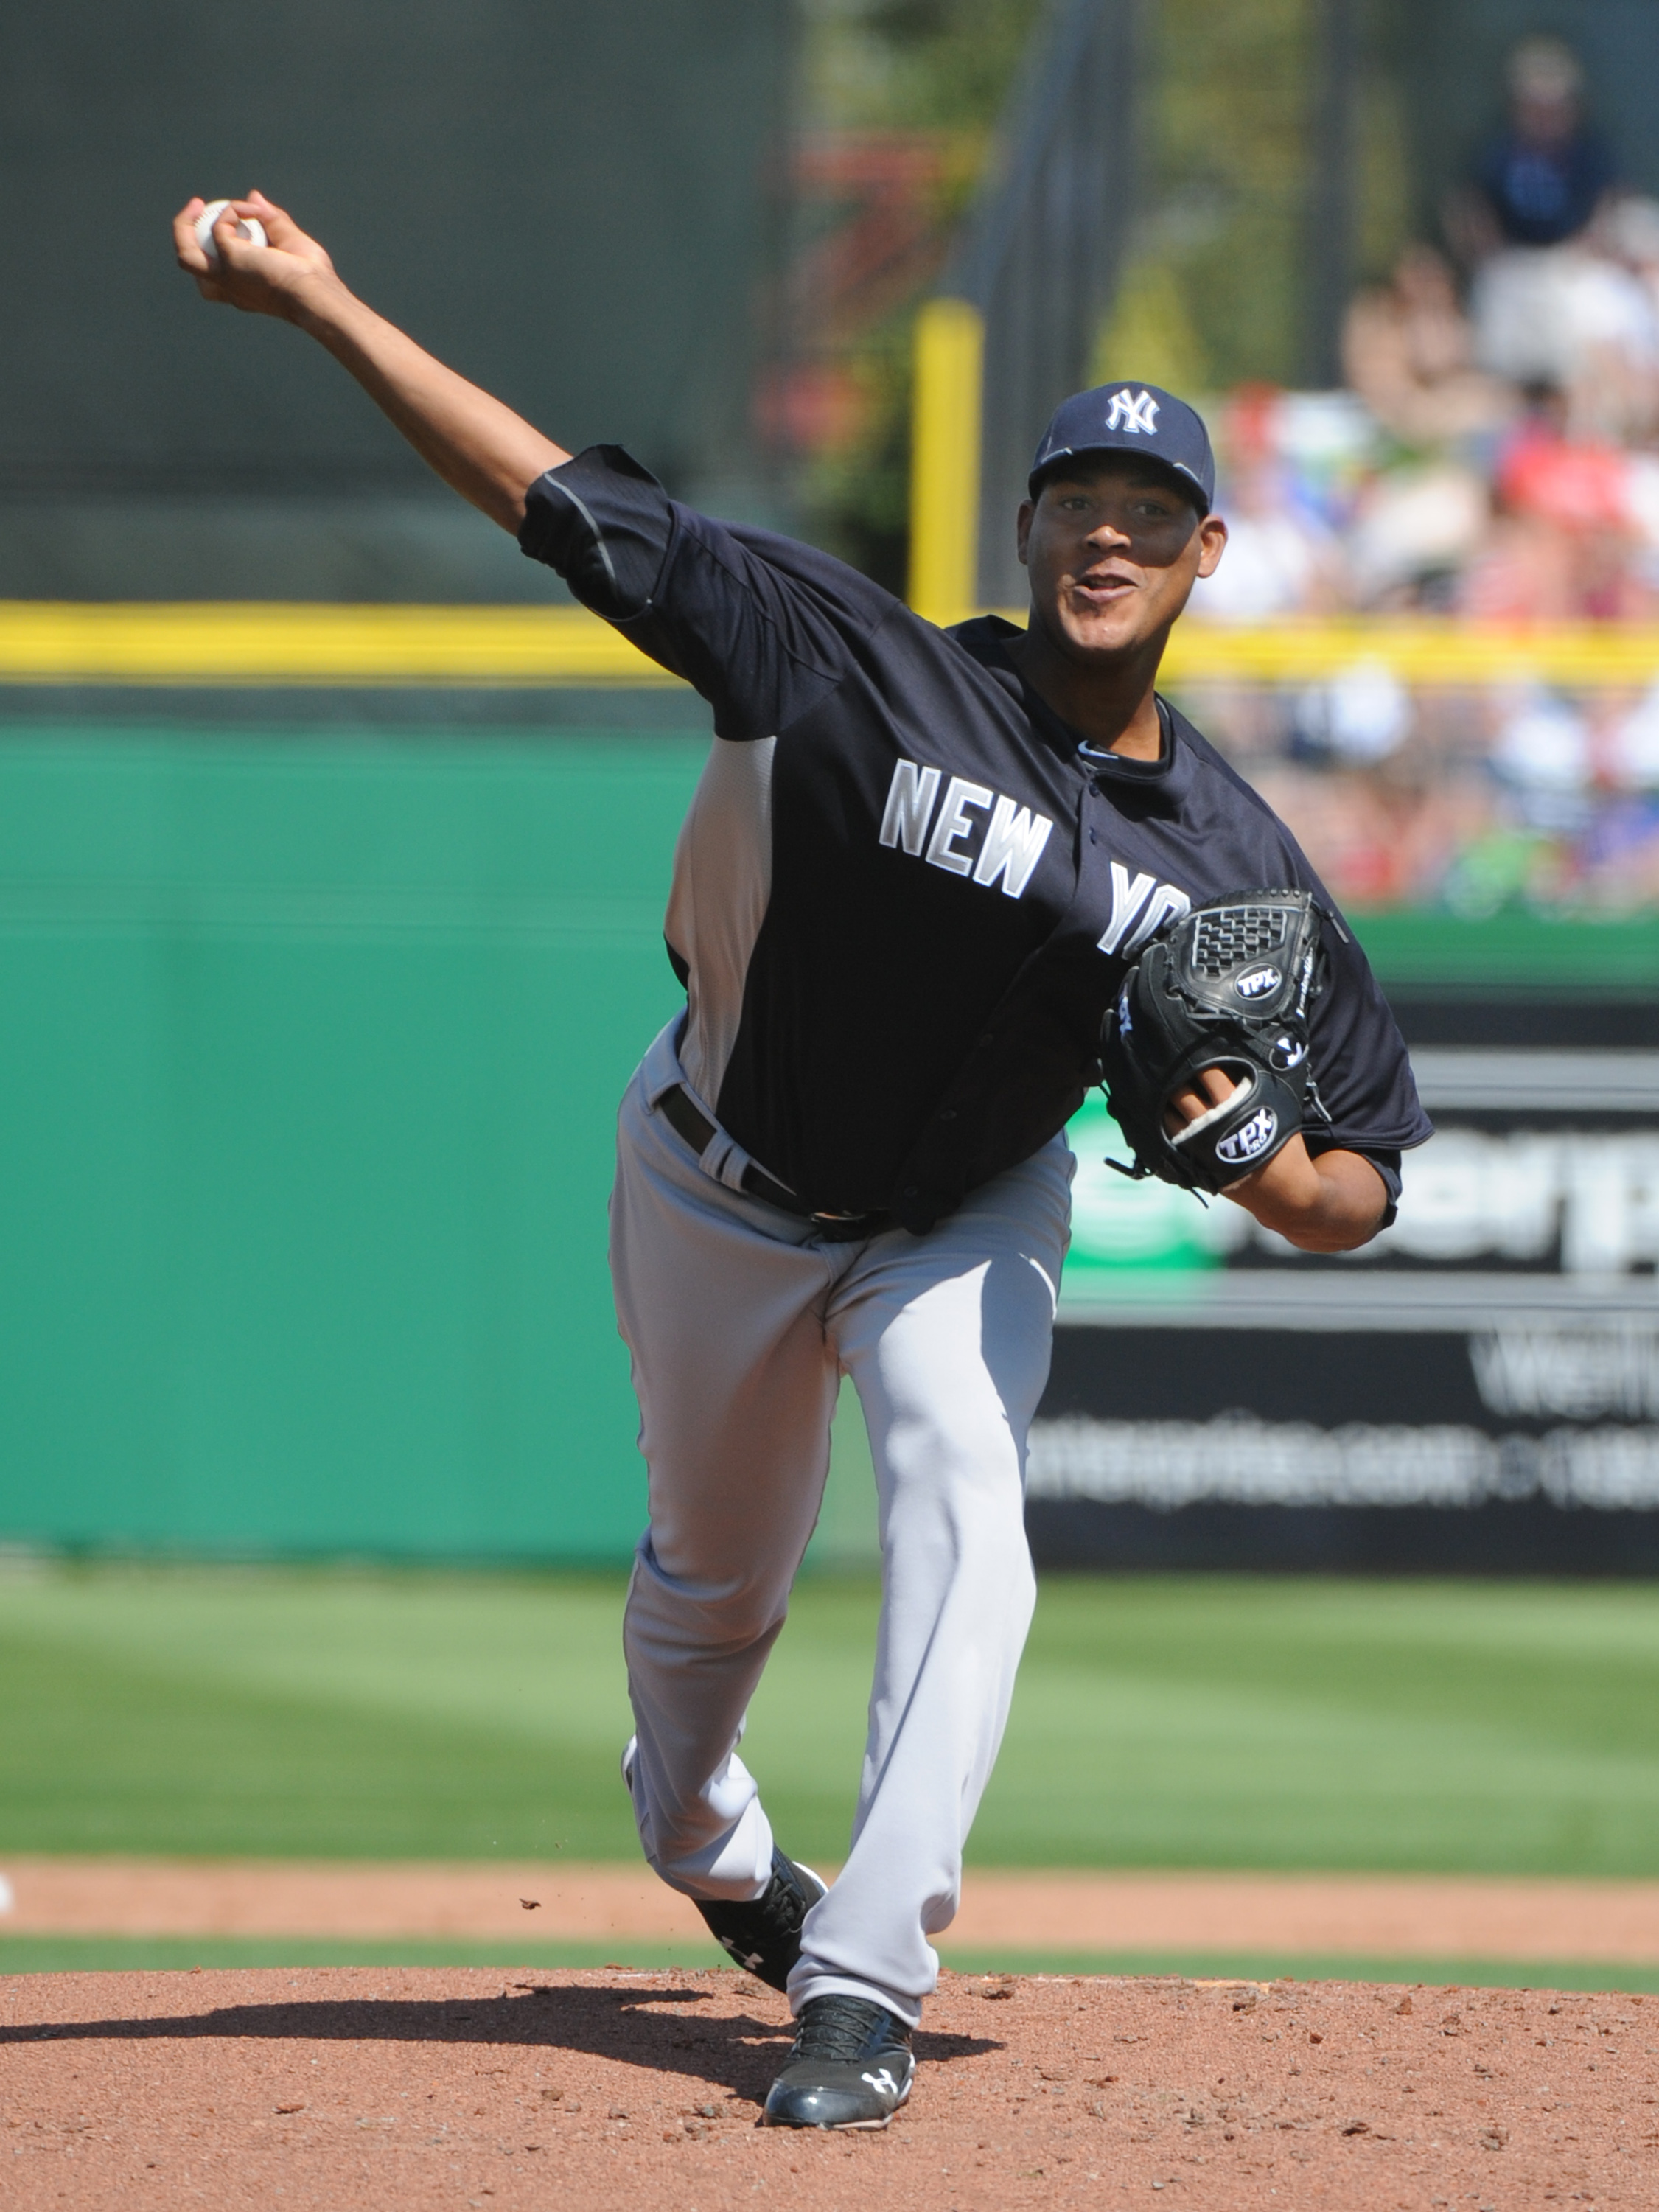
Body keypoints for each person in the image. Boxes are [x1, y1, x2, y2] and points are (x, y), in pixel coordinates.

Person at [173, 192, 1431, 2131]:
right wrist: (325, 299)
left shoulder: (1239, 868)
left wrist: (1267, 1167)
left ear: (1208, 551)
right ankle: (709, 1841)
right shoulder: (843, 662)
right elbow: (548, 495)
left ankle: (862, 1980)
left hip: (971, 1205)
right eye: (1073, 498)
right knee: (710, 1593)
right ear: (1020, 531)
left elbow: (1362, 1177)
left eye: (1148, 508)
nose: (1107, 531)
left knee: (962, 1480)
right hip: (716, 1175)